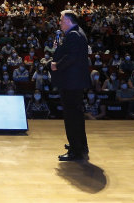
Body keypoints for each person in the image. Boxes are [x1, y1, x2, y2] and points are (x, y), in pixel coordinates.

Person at [51, 10, 91, 161]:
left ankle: (75, 150)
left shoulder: (74, 35)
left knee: (71, 116)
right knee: (77, 115)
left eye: (61, 20)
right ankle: (80, 145)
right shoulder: (77, 33)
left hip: (70, 82)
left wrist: (56, 65)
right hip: (74, 82)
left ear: (68, 21)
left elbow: (71, 57)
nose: (60, 23)